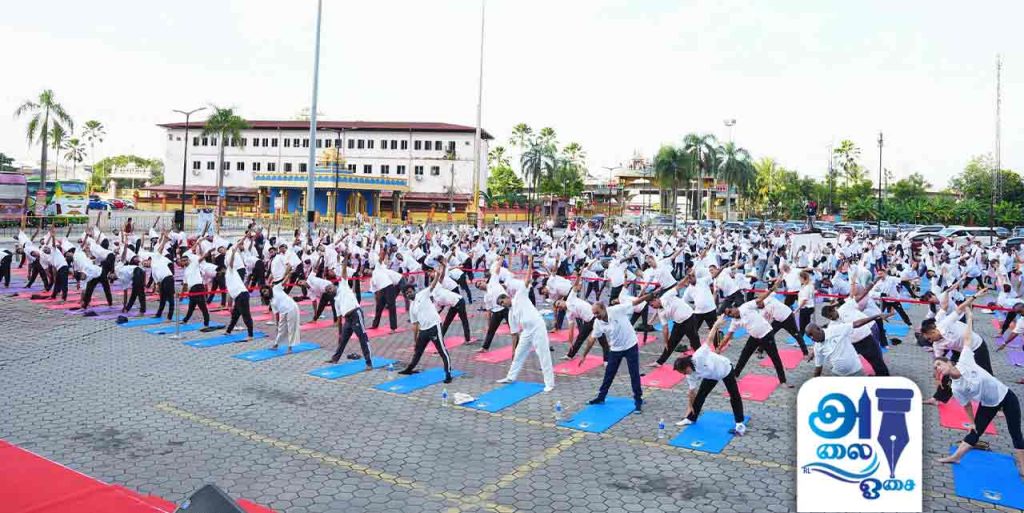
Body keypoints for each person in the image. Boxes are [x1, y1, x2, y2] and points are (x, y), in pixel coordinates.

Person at [937, 308, 1024, 477]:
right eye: (936, 368)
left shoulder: (965, 360)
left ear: (949, 362)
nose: (938, 368)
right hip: (988, 404)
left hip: (1007, 397)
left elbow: (967, 339)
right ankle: (956, 457)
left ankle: (1023, 465)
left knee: (1015, 433)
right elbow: (967, 405)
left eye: (940, 364)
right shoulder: (956, 387)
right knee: (975, 432)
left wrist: (970, 318)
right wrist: (972, 422)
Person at [578, 292, 652, 413]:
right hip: (616, 349)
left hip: (630, 345)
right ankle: (601, 397)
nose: (596, 316)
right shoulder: (597, 322)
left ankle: (638, 401)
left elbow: (635, 302)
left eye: (597, 313)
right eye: (594, 314)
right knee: (609, 374)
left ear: (604, 309)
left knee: (634, 374)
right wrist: (584, 355)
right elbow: (592, 339)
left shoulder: (616, 310)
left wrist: (649, 296)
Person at [672, 322, 746, 435]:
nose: (684, 374)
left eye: (684, 371)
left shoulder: (699, 356)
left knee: (734, 395)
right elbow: (692, 392)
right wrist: (690, 407)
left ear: (687, 366)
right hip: (711, 376)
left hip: (725, 369)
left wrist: (716, 325)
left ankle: (739, 423)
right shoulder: (689, 374)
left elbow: (709, 339)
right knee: (701, 395)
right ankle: (691, 418)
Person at [719, 280, 793, 387]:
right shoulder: (734, 321)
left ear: (734, 307)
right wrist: (719, 348)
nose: (731, 315)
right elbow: (728, 336)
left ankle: (783, 381)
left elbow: (760, 299)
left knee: (775, 357)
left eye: (730, 312)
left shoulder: (746, 306)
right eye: (728, 315)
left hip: (766, 334)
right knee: (744, 355)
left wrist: (770, 291)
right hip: (754, 337)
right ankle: (735, 374)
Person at [496, 290, 555, 392]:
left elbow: (526, 283)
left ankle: (549, 384)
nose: (503, 305)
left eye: (502, 302)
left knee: (543, 355)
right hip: (526, 331)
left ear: (507, 297)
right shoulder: (510, 313)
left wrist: (528, 276)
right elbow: (514, 334)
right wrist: (513, 350)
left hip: (538, 327)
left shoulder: (519, 297)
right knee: (518, 354)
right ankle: (510, 377)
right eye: (501, 304)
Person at [398, 276, 454, 383]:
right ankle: (409, 369)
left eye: (410, 291)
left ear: (414, 290)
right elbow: (415, 324)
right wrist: (415, 340)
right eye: (406, 293)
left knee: (442, 350)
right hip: (423, 330)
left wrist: (437, 274)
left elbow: (432, 285)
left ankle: (448, 374)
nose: (409, 294)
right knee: (418, 351)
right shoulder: (412, 307)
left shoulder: (423, 294)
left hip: (434, 326)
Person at [805, 312, 894, 377]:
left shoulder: (836, 329)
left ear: (818, 329)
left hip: (856, 371)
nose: (812, 338)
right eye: (809, 336)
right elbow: (818, 368)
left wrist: (876, 316)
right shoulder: (817, 346)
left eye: (812, 334)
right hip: (838, 375)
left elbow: (856, 324)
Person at [326, 255, 372, 367]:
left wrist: (345, 261)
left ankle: (369, 362)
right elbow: (339, 318)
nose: (330, 289)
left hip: (355, 313)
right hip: (348, 319)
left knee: (362, 337)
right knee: (343, 340)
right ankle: (335, 358)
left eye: (330, 287)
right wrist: (339, 333)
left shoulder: (343, 286)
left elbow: (344, 273)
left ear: (334, 286)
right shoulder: (336, 301)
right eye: (328, 290)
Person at [224, 239, 255, 341]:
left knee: (246, 316)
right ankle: (228, 331)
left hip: (242, 295)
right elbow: (229, 293)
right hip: (238, 297)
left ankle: (250, 335)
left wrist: (233, 253)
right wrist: (229, 304)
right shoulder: (227, 277)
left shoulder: (231, 270)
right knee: (235, 315)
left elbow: (231, 263)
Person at [261, 282, 300, 352]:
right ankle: (276, 345)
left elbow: (284, 281)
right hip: (283, 312)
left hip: (292, 308)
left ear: (268, 289)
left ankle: (290, 347)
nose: (265, 293)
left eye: (265, 291)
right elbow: (276, 313)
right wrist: (277, 324)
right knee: (281, 329)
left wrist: (288, 275)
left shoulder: (276, 289)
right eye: (263, 292)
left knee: (291, 328)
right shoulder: (271, 301)